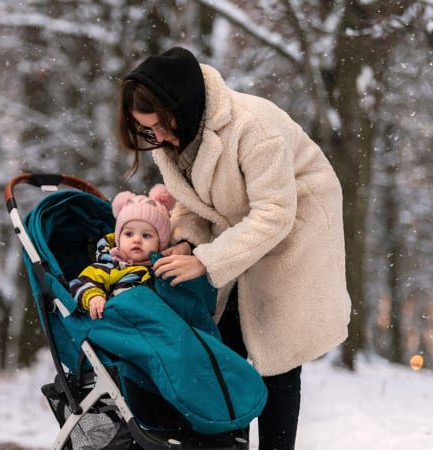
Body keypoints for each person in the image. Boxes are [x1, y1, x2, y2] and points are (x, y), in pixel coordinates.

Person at [116, 46, 352, 450]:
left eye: (160, 125)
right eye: (147, 130)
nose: (157, 137)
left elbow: (275, 213)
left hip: (295, 227)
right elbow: (192, 205)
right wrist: (188, 243)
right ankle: (229, 442)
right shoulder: (170, 140)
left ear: (182, 107)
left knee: (276, 352)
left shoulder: (254, 128)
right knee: (221, 343)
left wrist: (206, 261)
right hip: (238, 229)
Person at [69, 184, 175, 320]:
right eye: (129, 234)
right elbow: (79, 284)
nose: (137, 240)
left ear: (160, 243)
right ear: (118, 239)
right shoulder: (109, 267)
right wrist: (93, 297)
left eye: (146, 236)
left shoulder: (165, 268)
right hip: (125, 325)